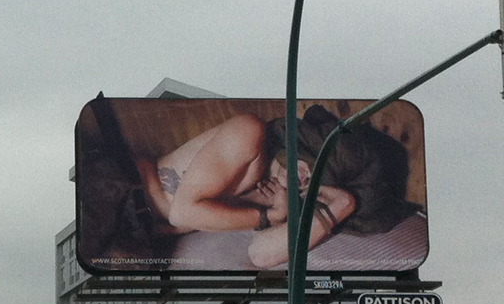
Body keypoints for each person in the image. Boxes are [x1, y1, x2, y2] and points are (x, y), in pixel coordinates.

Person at [130, 105, 418, 269]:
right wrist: (269, 215)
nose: (302, 181)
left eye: (312, 185)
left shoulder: (262, 175)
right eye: (306, 167)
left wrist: (338, 205)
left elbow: (259, 253)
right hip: (127, 195)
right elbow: (183, 216)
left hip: (137, 229)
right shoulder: (249, 141)